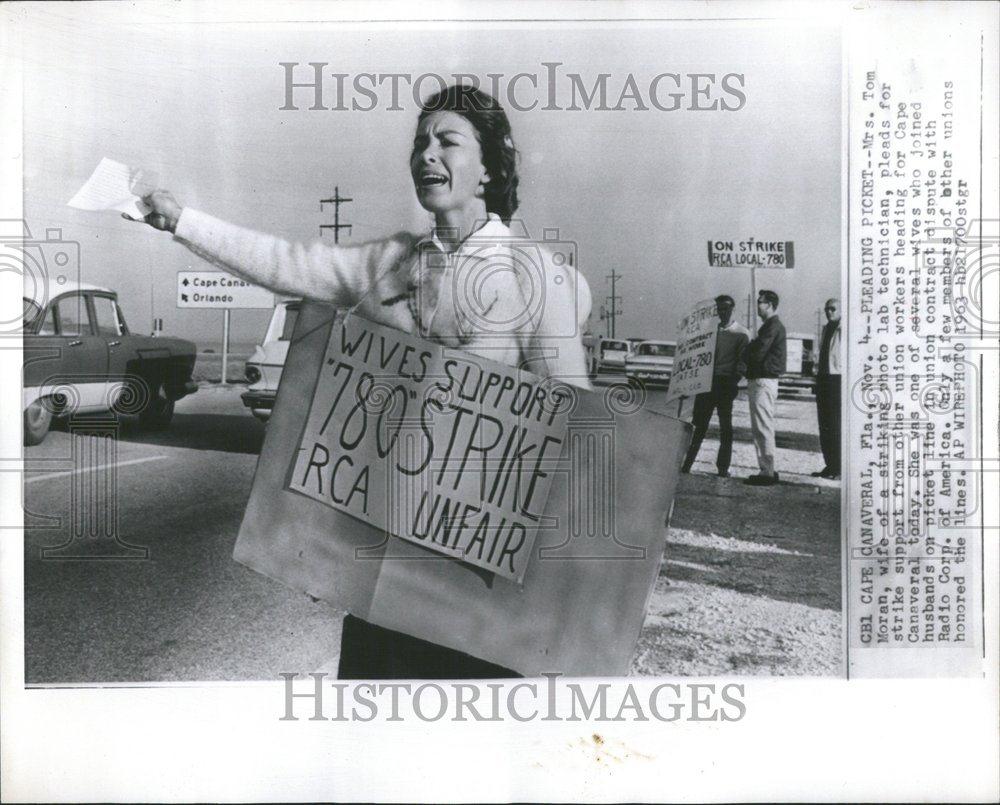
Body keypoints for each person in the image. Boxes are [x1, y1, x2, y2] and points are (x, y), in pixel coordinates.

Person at [128, 84, 592, 679]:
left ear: (488, 170)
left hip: (475, 573)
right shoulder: (389, 262)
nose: (426, 153)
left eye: (447, 141)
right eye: (420, 141)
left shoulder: (537, 278)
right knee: (372, 722)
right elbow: (288, 263)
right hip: (382, 552)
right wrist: (183, 221)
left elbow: (572, 428)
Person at [680, 295, 749, 477]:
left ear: (733, 309)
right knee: (698, 425)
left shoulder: (741, 333)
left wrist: (733, 381)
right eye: (719, 309)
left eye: (726, 308)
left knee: (725, 427)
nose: (722, 312)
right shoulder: (710, 332)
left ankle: (723, 468)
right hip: (707, 382)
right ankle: (687, 464)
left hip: (726, 384)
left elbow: (742, 363)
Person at [743, 289, 786, 486]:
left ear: (769, 305)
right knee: (763, 425)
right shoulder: (771, 326)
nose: (757, 305)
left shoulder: (772, 325)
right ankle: (768, 468)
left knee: (762, 426)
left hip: (763, 379)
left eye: (760, 302)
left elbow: (759, 351)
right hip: (764, 379)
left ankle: (767, 472)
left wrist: (747, 354)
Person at [812, 298, 842, 480]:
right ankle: (829, 465)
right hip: (823, 379)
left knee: (835, 425)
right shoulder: (826, 329)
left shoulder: (845, 329)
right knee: (824, 425)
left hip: (837, 380)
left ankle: (838, 468)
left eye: (832, 309)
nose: (829, 312)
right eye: (826, 309)